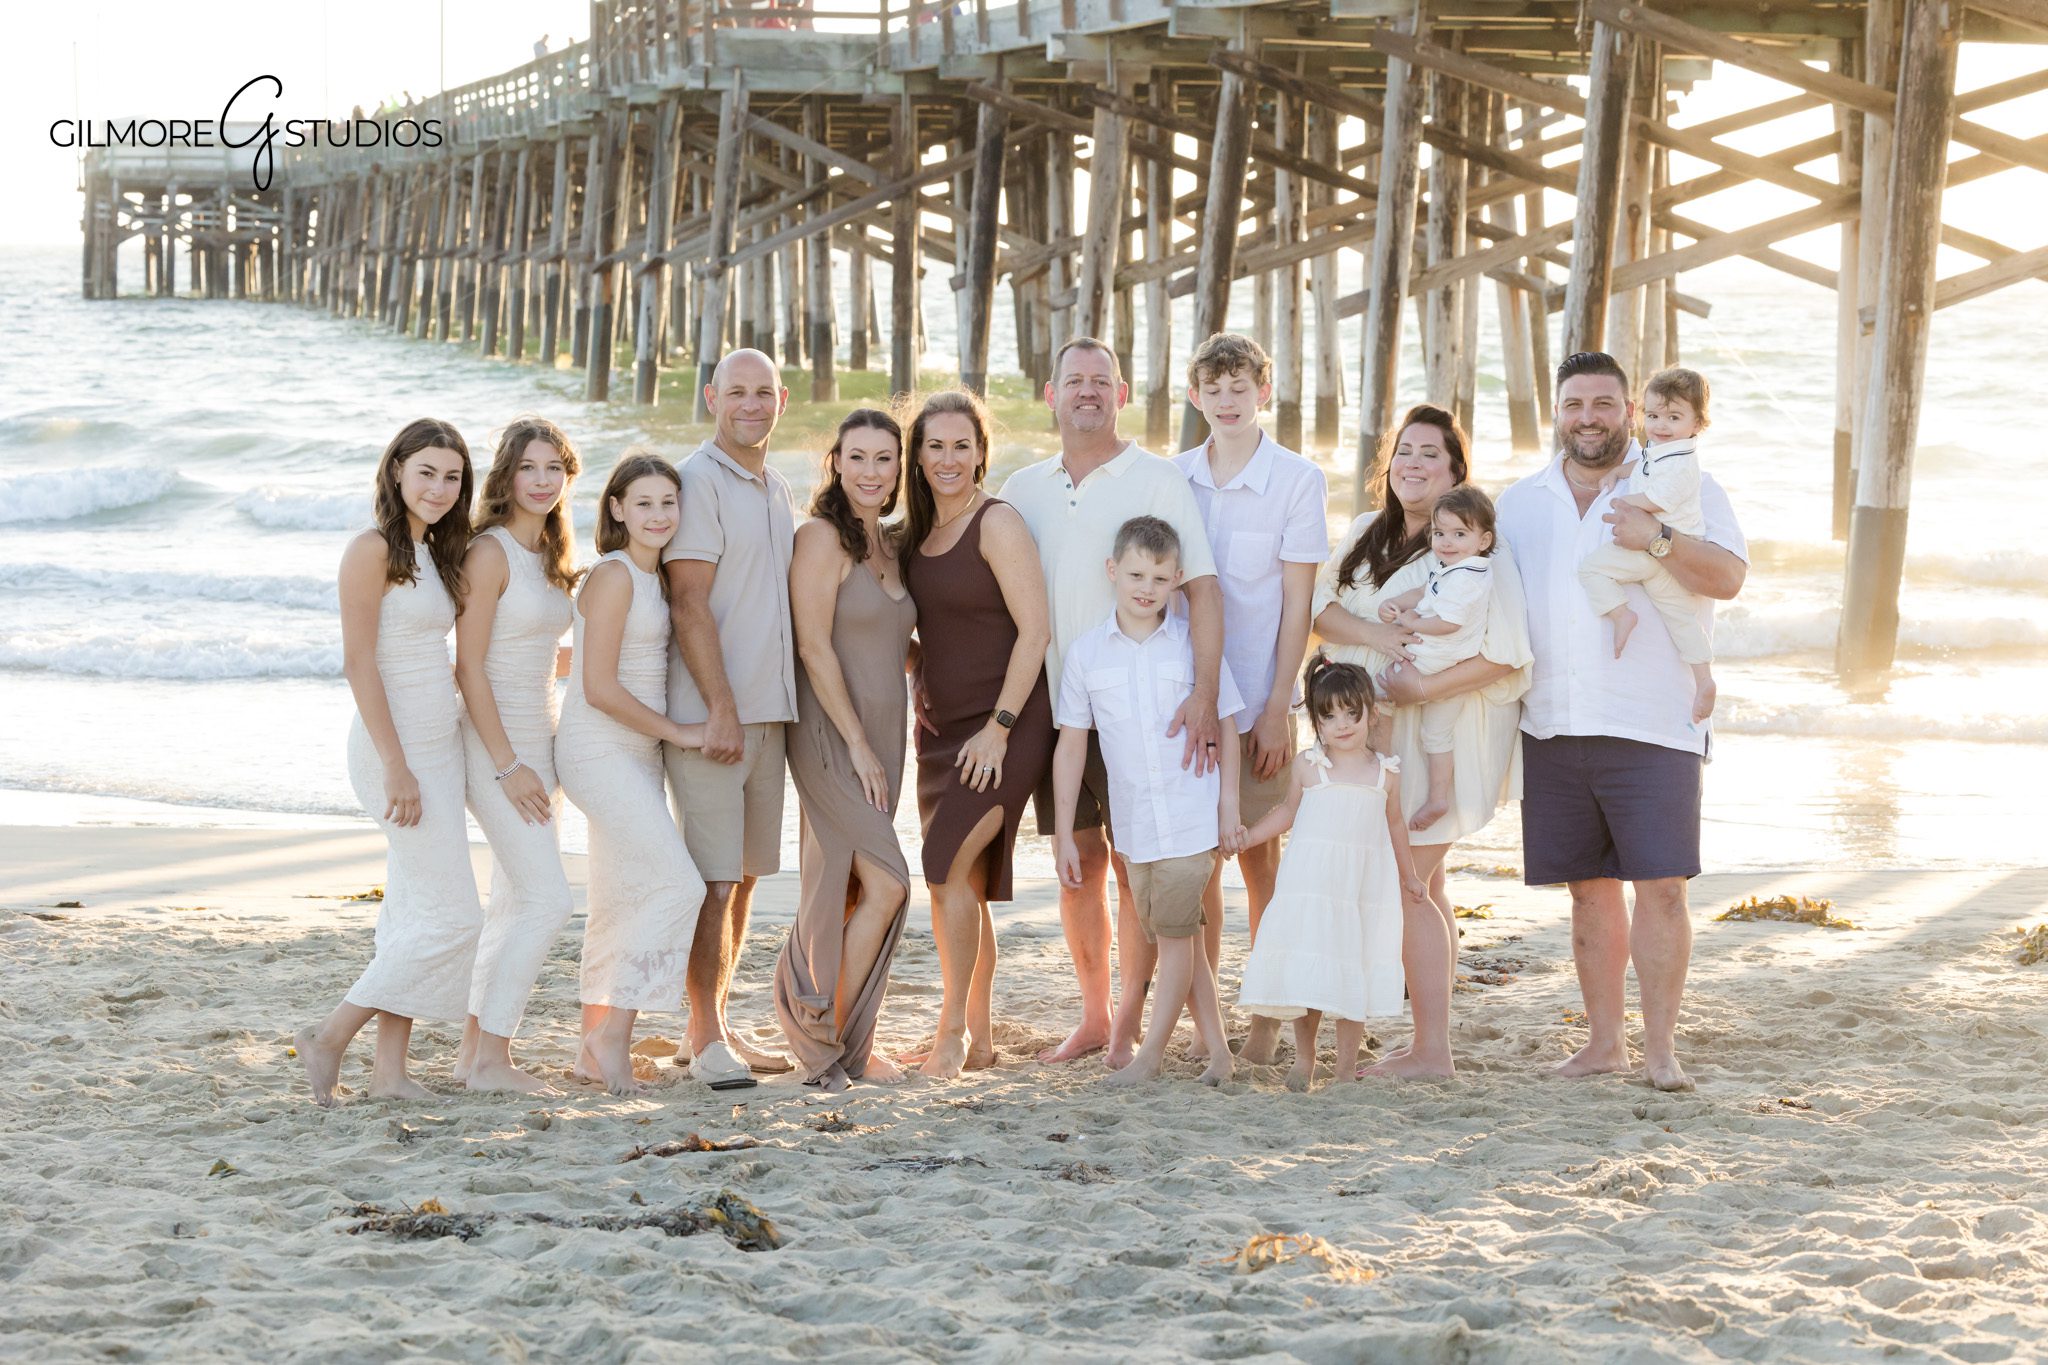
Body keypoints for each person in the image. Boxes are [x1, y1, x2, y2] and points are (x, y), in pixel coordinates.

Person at [1497, 351, 1747, 1092]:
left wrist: (1658, 540)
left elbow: (1729, 577)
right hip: (1552, 723)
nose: (1589, 418)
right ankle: (1604, 1043)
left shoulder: (1679, 483)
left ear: (1630, 412)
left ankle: (1660, 1050)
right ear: (1557, 411)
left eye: (1605, 404)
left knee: (1662, 888)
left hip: (1654, 721)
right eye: (1575, 403)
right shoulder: (1518, 503)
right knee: (1587, 891)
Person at [999, 337, 1224, 1068]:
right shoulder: (1021, 488)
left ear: (1122, 394)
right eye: (1074, 380)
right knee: (1079, 863)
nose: (1087, 391)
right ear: (1050, 393)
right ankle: (1095, 1017)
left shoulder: (1156, 477)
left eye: (1102, 380)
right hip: (1064, 708)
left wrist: (1204, 694)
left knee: (1144, 869)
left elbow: (1204, 589)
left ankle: (1141, 1021)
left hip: (1146, 715)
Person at [1311, 403, 1531, 1077]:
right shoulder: (1363, 534)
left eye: (1430, 453)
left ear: (1456, 470)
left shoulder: (1483, 553)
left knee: (1407, 881)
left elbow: (1508, 655)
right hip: (1379, 732)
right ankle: (1428, 1037)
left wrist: (1419, 691)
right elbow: (1322, 611)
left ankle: (1433, 1048)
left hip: (1449, 730)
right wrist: (1374, 639)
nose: (1413, 463)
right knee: (1425, 886)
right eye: (1404, 450)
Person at [296, 419, 481, 1107]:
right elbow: (358, 662)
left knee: (410, 910)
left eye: (453, 476)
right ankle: (330, 1036)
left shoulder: (435, 551)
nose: (438, 487)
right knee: (457, 916)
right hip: (393, 753)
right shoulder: (371, 549)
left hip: (438, 748)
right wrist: (396, 764)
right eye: (426, 471)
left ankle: (389, 1073)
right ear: (396, 469)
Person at [1171, 332, 1328, 1066]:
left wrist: (1278, 705)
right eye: (1214, 388)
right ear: (1195, 395)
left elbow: (1298, 607)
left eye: (1242, 386)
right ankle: (1204, 1024)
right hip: (1190, 706)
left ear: (1265, 390)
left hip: (1260, 703)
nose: (1228, 400)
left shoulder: (1298, 479)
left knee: (1263, 867)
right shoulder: (1173, 478)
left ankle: (1265, 1014)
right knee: (1197, 866)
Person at [1054, 516, 1243, 1088]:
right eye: (1136, 573)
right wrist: (1065, 830)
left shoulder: (1193, 647)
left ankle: (1150, 1056)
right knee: (1176, 937)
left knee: (1178, 939)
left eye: (1160, 578)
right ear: (1113, 571)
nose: (1146, 587)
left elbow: (1229, 726)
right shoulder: (1087, 655)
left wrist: (1229, 807)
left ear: (1177, 580)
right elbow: (1070, 745)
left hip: (1189, 818)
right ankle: (1220, 1053)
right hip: (1133, 827)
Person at [902, 390, 1054, 1078]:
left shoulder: (997, 523)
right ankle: (983, 1035)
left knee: (943, 866)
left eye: (961, 444)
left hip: (1006, 725)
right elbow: (918, 625)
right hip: (937, 733)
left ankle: (953, 1030)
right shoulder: (914, 536)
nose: (948, 458)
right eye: (935, 445)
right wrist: (912, 668)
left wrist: (998, 727)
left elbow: (1036, 631)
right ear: (918, 454)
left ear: (981, 451)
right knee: (957, 879)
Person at [663, 349, 799, 1089]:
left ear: (782, 399)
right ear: (712, 396)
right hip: (716, 716)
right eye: (735, 391)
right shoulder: (697, 481)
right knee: (713, 880)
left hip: (770, 714)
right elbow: (689, 600)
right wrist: (719, 706)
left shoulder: (776, 486)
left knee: (744, 879)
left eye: (763, 392)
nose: (750, 403)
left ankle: (706, 1021)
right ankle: (707, 1034)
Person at [774, 410, 920, 1090]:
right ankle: (816, 1025)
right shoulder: (821, 538)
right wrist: (858, 744)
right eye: (857, 457)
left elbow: (894, 642)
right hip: (835, 735)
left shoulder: (889, 544)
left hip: (886, 734)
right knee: (890, 882)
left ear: (900, 467)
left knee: (853, 882)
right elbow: (812, 645)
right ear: (836, 461)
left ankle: (848, 1039)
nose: (871, 471)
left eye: (884, 459)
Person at [557, 453, 709, 1096]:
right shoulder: (615, 575)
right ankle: (612, 1035)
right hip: (597, 750)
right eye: (643, 503)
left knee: (618, 899)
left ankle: (592, 1051)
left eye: (668, 503)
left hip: (637, 755)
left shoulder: (657, 577)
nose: (658, 515)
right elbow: (594, 687)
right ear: (616, 508)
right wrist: (679, 731)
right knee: (679, 885)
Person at [451, 417, 579, 1094]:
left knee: (511, 900)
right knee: (546, 898)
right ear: (506, 475)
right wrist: (507, 764)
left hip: (539, 734)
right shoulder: (490, 552)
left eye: (554, 467)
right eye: (529, 467)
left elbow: (533, 649)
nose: (541, 480)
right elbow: (469, 667)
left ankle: (474, 1057)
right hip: (495, 743)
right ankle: (496, 1056)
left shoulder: (549, 554)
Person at [1234, 656, 1426, 1090]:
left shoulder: (1385, 773)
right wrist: (1247, 837)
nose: (1342, 724)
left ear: (1370, 714)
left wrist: (1409, 876)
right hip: (1312, 885)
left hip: (1359, 888)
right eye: (1330, 715)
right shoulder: (1309, 765)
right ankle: (1305, 1059)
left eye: (1351, 713)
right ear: (1316, 721)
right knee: (1312, 973)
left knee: (1350, 974)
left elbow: (1395, 825)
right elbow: (1286, 812)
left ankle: (1343, 1069)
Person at [1576, 366, 1719, 722]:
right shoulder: (1664, 451)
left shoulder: (1684, 465)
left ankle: (1621, 614)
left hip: (1655, 549)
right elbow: (1642, 465)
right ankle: (1704, 679)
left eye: (1674, 417)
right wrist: (1617, 472)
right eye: (1653, 416)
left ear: (1698, 423)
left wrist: (1624, 505)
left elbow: (1657, 496)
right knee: (1681, 619)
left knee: (1592, 568)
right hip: (1665, 557)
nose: (1661, 426)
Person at [1376, 485, 1497, 833]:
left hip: (1435, 660)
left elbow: (1448, 622)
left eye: (1459, 534)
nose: (1446, 542)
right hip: (1451, 667)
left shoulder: (1464, 578)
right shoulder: (1459, 567)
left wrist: (1412, 621)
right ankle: (1438, 798)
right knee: (1436, 736)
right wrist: (1400, 602)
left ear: (1484, 540)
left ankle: (1378, 771)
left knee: (1378, 690)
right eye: (1439, 533)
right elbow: (1427, 591)